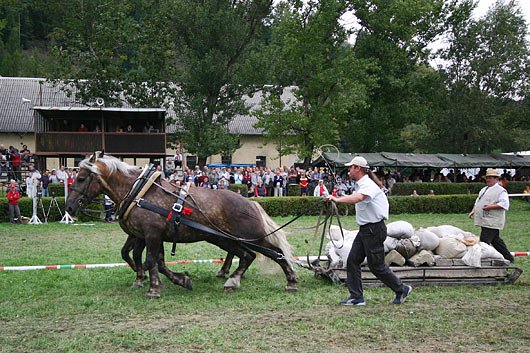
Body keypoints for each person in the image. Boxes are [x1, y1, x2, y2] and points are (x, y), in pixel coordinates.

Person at [326, 156, 412, 306]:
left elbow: (359, 198)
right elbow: (356, 196)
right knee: (352, 260)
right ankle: (357, 297)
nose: (348, 170)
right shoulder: (362, 184)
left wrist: (338, 200)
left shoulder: (368, 185)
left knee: (376, 266)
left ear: (358, 169)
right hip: (366, 229)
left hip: (373, 230)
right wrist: (340, 197)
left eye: (351, 167)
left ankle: (402, 289)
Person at [468, 168, 514, 262]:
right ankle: (508, 257)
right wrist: (474, 210)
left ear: (496, 179)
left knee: (484, 241)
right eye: (487, 177)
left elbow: (504, 204)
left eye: (490, 177)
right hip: (485, 220)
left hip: (492, 220)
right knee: (496, 240)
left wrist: (490, 207)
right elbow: (478, 201)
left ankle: (482, 260)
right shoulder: (484, 189)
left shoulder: (501, 191)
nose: (488, 179)